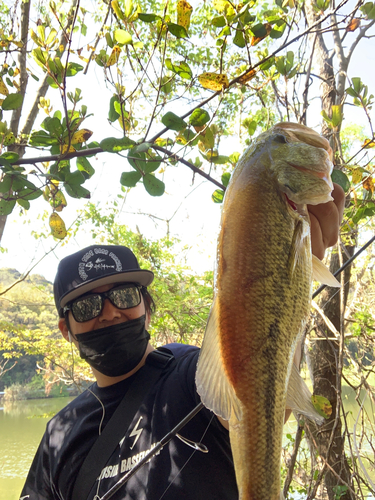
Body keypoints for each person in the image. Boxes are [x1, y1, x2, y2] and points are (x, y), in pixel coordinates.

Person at [20, 184, 345, 500]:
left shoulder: (195, 376)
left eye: (123, 295)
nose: (109, 313)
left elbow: (259, 400)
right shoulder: (58, 435)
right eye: (87, 306)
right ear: (66, 330)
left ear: (147, 309)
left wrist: (286, 273)